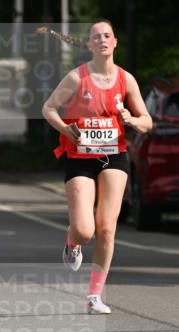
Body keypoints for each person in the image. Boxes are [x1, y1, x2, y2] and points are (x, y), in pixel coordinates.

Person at [42, 20, 152, 314]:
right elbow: (48, 108)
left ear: (115, 42)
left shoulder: (126, 79)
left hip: (114, 155)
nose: (102, 40)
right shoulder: (77, 77)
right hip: (80, 156)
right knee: (84, 229)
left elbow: (147, 121)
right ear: (89, 44)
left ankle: (94, 296)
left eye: (107, 36)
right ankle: (72, 242)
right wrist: (66, 130)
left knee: (107, 228)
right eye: (96, 37)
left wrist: (131, 120)